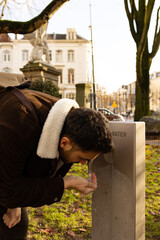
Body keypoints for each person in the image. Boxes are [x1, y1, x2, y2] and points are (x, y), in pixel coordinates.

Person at [0, 84, 113, 239]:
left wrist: (15, 201)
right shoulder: (19, 121)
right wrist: (67, 183)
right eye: (82, 159)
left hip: (6, 167)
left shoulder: (68, 123)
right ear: (64, 143)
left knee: (16, 226)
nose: (81, 164)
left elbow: (20, 179)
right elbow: (8, 190)